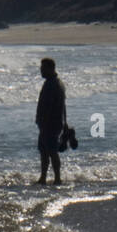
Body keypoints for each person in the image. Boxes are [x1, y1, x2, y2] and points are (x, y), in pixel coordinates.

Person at [35, 57, 66, 185]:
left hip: (51, 123)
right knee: (44, 151)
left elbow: (52, 106)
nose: (41, 71)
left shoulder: (54, 84)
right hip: (49, 123)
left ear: (50, 69)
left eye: (43, 69)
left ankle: (57, 178)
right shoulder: (52, 82)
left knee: (51, 151)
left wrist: (44, 121)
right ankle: (43, 177)